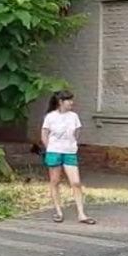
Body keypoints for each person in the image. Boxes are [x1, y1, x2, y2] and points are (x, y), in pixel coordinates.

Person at [41, 90, 96, 225]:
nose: (72, 102)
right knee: (55, 181)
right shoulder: (50, 117)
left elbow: (77, 133)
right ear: (61, 102)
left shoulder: (74, 116)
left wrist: (71, 145)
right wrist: (50, 148)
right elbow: (44, 134)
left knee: (76, 182)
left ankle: (81, 214)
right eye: (69, 100)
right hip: (54, 152)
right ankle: (58, 211)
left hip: (70, 152)